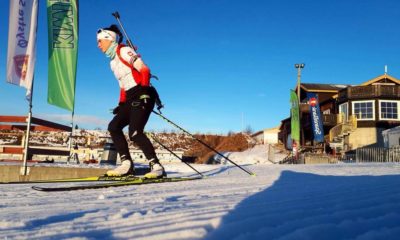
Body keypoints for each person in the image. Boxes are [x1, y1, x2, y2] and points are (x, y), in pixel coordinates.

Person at [97, 24, 166, 178]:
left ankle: (156, 166)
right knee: (114, 126)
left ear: (109, 39)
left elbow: (144, 70)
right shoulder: (112, 62)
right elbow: (122, 85)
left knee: (135, 132)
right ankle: (126, 164)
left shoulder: (124, 50)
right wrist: (121, 104)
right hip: (129, 97)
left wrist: (143, 91)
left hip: (142, 93)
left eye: (100, 41)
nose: (98, 45)